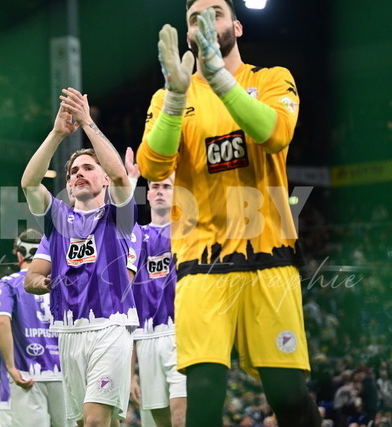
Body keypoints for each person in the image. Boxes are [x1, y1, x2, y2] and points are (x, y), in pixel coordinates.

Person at [136, 1, 321, 426]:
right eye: (194, 18)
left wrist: (219, 77)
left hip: (270, 256)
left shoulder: (271, 79)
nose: (204, 22)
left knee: (288, 395)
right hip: (201, 262)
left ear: (236, 26)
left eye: (215, 13)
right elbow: (153, 168)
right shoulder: (170, 96)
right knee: (202, 393)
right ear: (187, 36)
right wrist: (176, 99)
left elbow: (274, 134)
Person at [22, 87, 138, 426]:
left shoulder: (119, 215)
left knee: (95, 420)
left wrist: (87, 123)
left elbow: (121, 176)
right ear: (69, 185)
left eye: (88, 168)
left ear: (104, 179)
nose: (78, 174)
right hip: (68, 330)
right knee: (88, 422)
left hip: (110, 326)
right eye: (73, 172)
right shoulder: (57, 221)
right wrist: (57, 134)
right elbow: (30, 184)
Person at [126, 149, 186, 427]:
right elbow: (112, 221)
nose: (160, 191)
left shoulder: (187, 232)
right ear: (148, 194)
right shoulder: (137, 235)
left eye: (167, 187)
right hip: (146, 336)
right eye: (155, 187)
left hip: (180, 333)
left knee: (181, 416)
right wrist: (130, 373)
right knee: (161, 419)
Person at [0, 228, 69, 427]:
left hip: (27, 372)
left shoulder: (9, 283)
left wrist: (10, 366)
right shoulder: (61, 281)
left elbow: (2, 321)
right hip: (64, 371)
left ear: (19, 254)